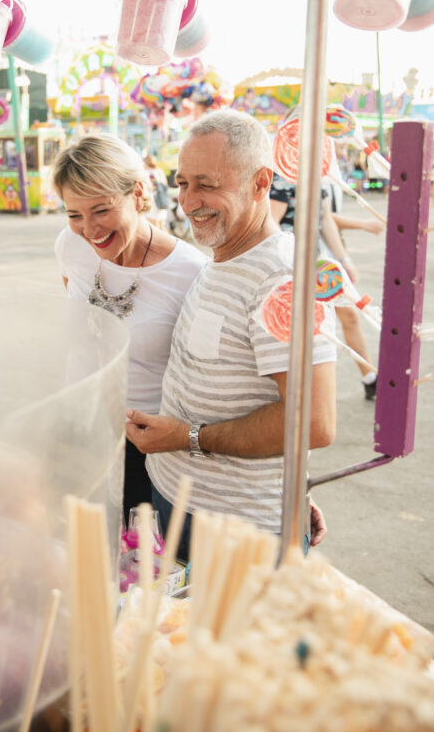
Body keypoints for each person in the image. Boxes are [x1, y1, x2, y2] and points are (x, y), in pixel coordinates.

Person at [125, 110, 336, 561]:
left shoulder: (282, 280)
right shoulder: (225, 255)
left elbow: (313, 422)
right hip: (183, 504)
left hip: (238, 532)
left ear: (261, 183)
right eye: (183, 183)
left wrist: (187, 437)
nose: (188, 201)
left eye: (206, 184)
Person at [52, 134, 205, 524]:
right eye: (74, 214)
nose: (89, 229)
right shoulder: (70, 246)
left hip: (148, 449)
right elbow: (80, 327)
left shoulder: (192, 273)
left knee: (140, 555)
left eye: (101, 210)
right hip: (79, 435)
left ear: (138, 193)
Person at [269, 173, 380, 400]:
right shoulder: (281, 180)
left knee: (350, 315)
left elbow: (326, 221)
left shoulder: (319, 178)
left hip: (321, 263)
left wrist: (344, 260)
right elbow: (273, 224)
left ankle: (370, 378)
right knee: (305, 331)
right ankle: (296, 394)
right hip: (293, 266)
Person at [144, 154, 170, 230]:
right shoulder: (160, 171)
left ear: (146, 163)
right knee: (162, 226)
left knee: (153, 228)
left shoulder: (147, 173)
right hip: (162, 200)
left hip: (153, 201)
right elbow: (165, 184)